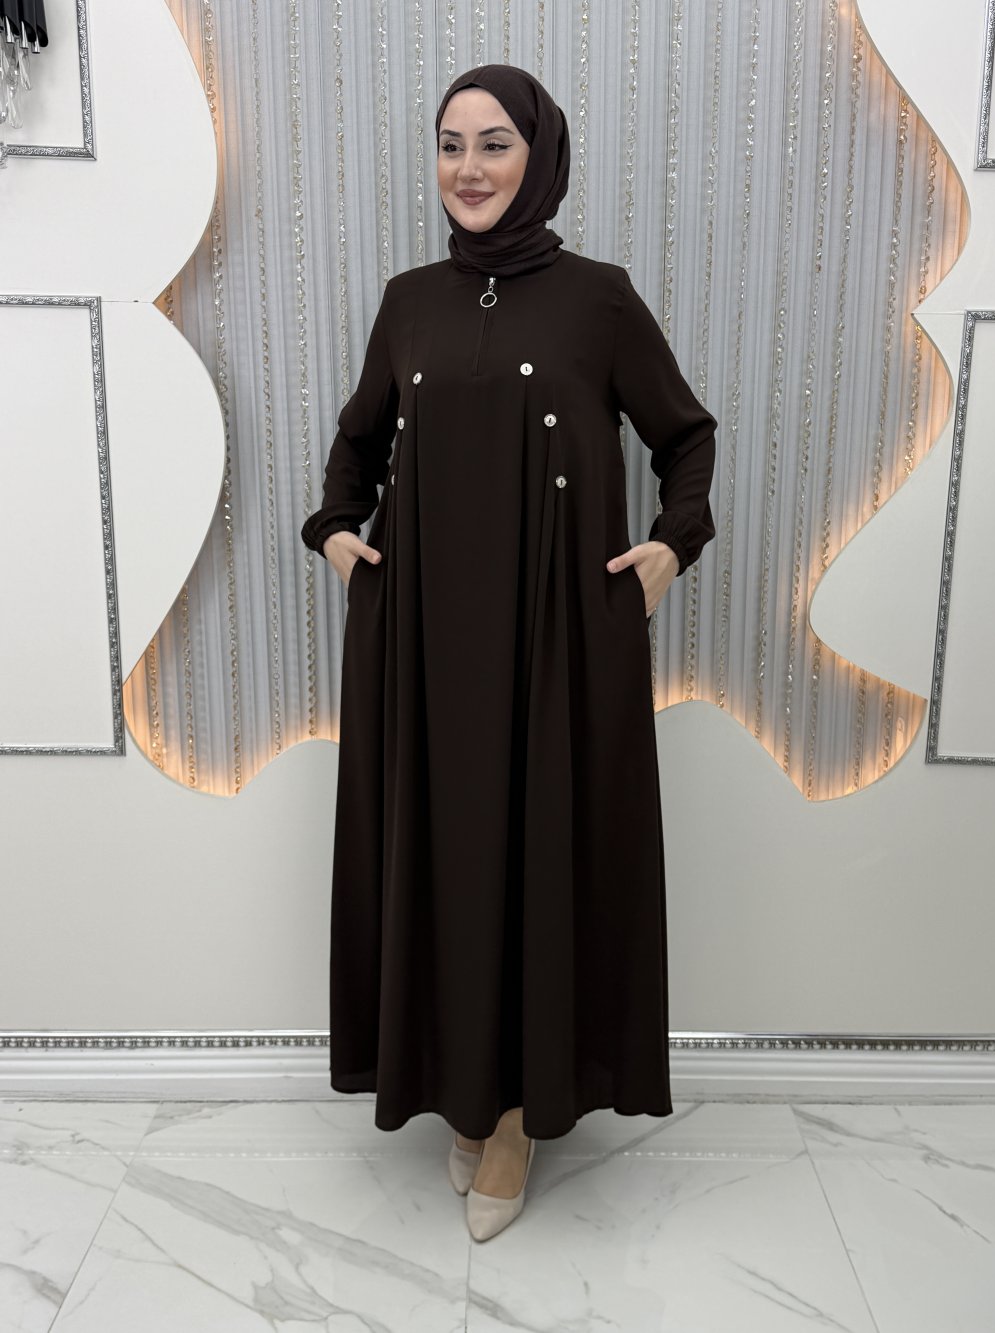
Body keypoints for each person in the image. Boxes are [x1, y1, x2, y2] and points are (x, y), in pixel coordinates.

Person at [300, 63, 716, 1242]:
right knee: (443, 854)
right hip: (423, 639)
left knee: (540, 853)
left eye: (493, 143)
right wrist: (335, 532)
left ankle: (520, 1114)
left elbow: (685, 436)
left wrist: (671, 544)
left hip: (558, 637)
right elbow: (358, 441)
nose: (469, 167)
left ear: (540, 156)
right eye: (450, 144)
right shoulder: (408, 302)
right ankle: (463, 1089)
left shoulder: (599, 301)